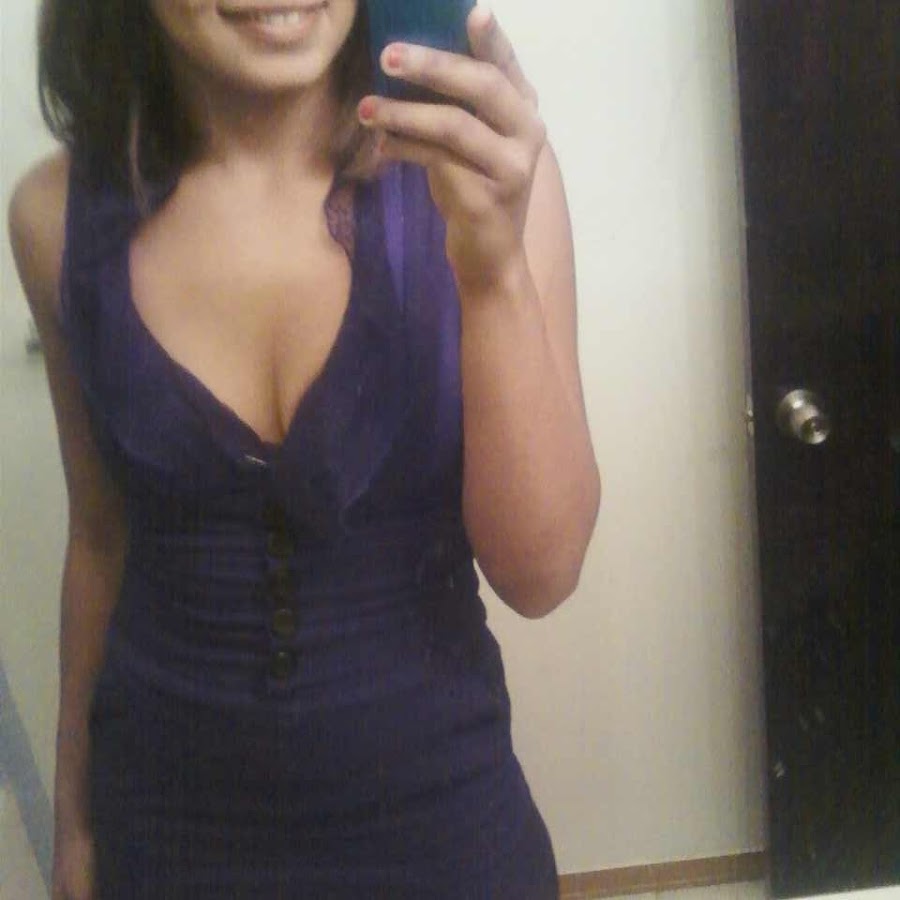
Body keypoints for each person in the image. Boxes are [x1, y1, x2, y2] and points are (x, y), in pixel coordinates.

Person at [8, 0, 600, 896]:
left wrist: (492, 271)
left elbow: (541, 573)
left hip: (444, 828)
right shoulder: (54, 218)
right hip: (162, 836)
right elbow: (99, 536)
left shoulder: (487, 174)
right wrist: (76, 824)